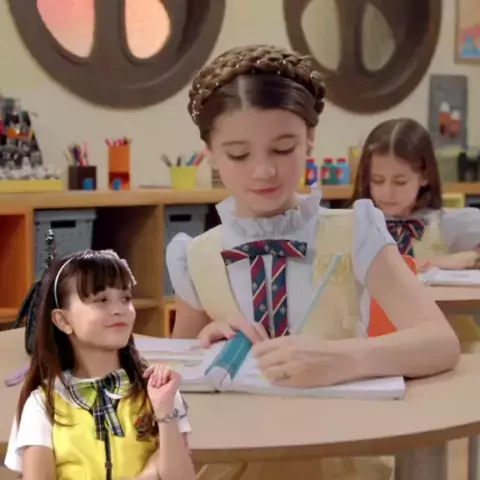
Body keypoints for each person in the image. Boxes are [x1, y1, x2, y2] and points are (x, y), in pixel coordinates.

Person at [166, 45, 460, 479]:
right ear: (209, 154)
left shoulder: (355, 231)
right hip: (234, 463)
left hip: (338, 456)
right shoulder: (196, 256)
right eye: (239, 155)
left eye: (283, 148)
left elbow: (440, 342)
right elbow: (174, 381)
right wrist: (200, 347)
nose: (263, 171)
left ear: (309, 140)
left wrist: (344, 359)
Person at [5, 249, 196, 480]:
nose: (119, 310)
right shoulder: (43, 402)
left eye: (125, 298)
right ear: (62, 320)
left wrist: (165, 411)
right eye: (101, 300)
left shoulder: (156, 389)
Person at [351, 118, 480, 351]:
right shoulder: (353, 225)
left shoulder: (446, 224)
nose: (387, 192)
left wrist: (468, 258)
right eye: (377, 181)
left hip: (448, 344)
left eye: (400, 182)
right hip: (373, 346)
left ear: (424, 176)